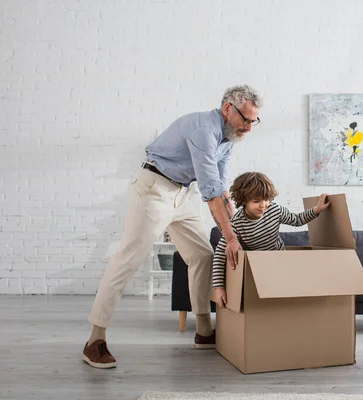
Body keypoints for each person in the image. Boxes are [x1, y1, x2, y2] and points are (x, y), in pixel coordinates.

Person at [83, 85, 262, 369]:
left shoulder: (229, 138)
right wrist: (229, 238)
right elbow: (210, 191)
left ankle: (204, 331)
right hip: (154, 188)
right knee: (128, 259)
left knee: (202, 255)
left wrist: (237, 230)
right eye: (246, 119)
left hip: (181, 193)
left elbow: (222, 189)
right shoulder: (204, 130)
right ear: (228, 108)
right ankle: (95, 340)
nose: (249, 127)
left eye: (254, 121)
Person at [212, 172, 330, 307]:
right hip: (256, 269)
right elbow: (220, 255)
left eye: (266, 199)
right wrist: (219, 288)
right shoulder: (236, 224)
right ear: (244, 200)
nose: (263, 205)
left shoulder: (275, 210)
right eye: (256, 201)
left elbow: (297, 220)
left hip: (279, 261)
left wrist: (316, 209)